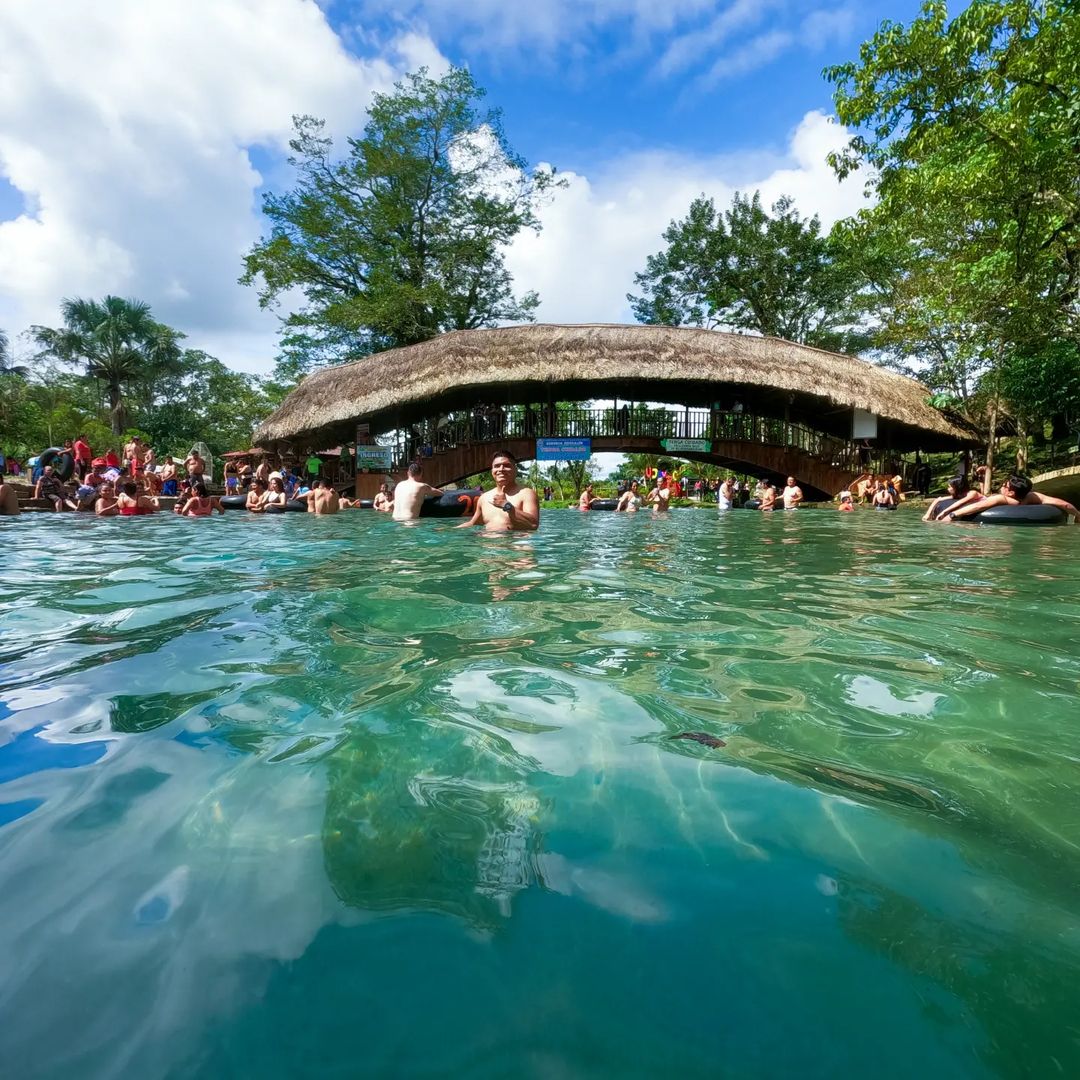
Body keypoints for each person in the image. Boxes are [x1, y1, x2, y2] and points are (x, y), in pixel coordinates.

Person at [457, 450, 539, 531]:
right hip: (486, 543)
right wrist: (448, 530)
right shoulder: (484, 498)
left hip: (514, 543)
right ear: (492, 471)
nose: (501, 469)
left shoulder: (526, 494)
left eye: (507, 465)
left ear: (515, 469)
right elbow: (472, 524)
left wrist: (507, 506)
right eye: (497, 466)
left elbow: (533, 524)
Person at [946, 475, 1080, 523]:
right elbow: (1065, 505)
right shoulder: (1033, 496)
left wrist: (952, 515)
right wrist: (1078, 515)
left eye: (1004, 485)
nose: (1002, 486)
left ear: (1010, 493)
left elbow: (977, 507)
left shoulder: (1001, 499)